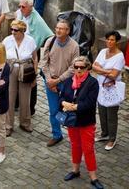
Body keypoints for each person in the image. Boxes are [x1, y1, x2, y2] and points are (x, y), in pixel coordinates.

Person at [59, 56, 104, 189]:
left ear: (87, 68)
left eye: (81, 67)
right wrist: (63, 102)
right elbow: (61, 96)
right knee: (75, 146)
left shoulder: (92, 83)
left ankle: (93, 178)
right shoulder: (68, 81)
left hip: (86, 121)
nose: (78, 69)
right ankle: (75, 170)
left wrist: (74, 107)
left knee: (88, 149)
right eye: (76, 67)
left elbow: (90, 102)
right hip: (72, 121)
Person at [39, 19, 79, 147]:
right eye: (57, 28)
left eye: (61, 28)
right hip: (50, 81)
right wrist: (49, 80)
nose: (58, 30)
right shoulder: (50, 41)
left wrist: (58, 80)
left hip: (66, 83)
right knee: (53, 110)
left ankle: (73, 133)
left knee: (67, 109)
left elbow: (74, 68)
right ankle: (57, 135)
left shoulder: (74, 46)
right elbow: (43, 62)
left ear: (67, 31)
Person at [15, 0, 53, 115]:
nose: (21, 8)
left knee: (30, 78)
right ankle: (16, 102)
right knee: (16, 75)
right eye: (20, 6)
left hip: (31, 51)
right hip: (18, 49)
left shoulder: (37, 20)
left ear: (31, 7)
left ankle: (31, 107)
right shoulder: (19, 13)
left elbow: (48, 35)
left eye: (23, 7)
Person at [2, 20, 37, 136]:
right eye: (11, 29)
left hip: (25, 69)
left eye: (15, 30)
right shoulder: (7, 40)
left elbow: (35, 59)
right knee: (9, 98)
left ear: (22, 31)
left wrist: (34, 75)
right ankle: (8, 125)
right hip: (11, 69)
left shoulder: (30, 40)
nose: (13, 32)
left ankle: (25, 123)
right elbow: (1, 57)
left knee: (25, 98)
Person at [92, 31, 125, 151]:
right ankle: (104, 134)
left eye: (112, 40)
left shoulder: (120, 56)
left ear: (116, 41)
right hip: (101, 87)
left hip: (112, 89)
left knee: (111, 114)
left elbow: (114, 75)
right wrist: (107, 71)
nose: (109, 42)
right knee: (102, 111)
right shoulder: (102, 52)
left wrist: (101, 69)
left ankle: (112, 138)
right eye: (108, 39)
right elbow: (93, 66)